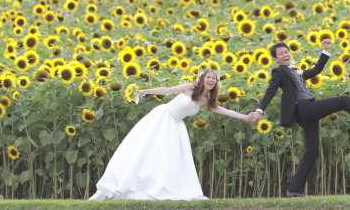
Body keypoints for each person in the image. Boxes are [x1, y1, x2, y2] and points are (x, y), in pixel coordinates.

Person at [248, 38, 350, 197]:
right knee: (344, 100)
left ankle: (293, 191)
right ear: (276, 59)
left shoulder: (296, 72)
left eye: (286, 51)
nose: (285, 54)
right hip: (303, 108)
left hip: (307, 112)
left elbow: (316, 71)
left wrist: (326, 50)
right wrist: (259, 110)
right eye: (281, 53)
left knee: (312, 151)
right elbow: (270, 91)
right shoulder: (279, 71)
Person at [89, 69, 253, 201]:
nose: (211, 80)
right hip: (162, 118)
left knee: (168, 158)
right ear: (202, 79)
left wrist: (246, 117)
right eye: (208, 77)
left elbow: (226, 111)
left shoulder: (206, 101)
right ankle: (128, 184)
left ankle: (158, 186)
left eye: (214, 78)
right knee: (145, 150)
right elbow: (166, 90)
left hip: (176, 126)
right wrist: (145, 91)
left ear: (215, 83)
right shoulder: (189, 87)